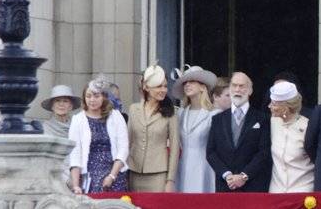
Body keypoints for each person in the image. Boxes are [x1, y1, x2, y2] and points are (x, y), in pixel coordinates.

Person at [207, 71, 272, 193]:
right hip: (225, 186)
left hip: (253, 187)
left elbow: (264, 152)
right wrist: (227, 175)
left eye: (242, 86)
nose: (237, 89)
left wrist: (244, 176)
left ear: (250, 91)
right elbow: (211, 152)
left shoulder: (262, 119)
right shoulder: (217, 120)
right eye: (234, 85)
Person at [67, 76, 128, 196]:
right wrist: (75, 186)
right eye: (88, 96)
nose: (92, 100)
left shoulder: (116, 116)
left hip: (115, 175)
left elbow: (123, 149)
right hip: (90, 176)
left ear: (104, 97)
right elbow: (75, 154)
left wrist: (112, 176)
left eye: (96, 96)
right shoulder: (78, 120)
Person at [126, 65, 180, 193]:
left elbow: (174, 147)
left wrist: (170, 180)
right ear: (146, 87)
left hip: (159, 174)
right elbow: (128, 141)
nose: (163, 90)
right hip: (134, 172)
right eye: (159, 86)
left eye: (165, 86)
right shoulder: (134, 109)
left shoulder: (171, 112)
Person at [170, 65, 219, 194]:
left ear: (203, 86)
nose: (187, 85)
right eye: (185, 82)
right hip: (181, 166)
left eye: (192, 82)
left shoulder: (213, 114)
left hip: (204, 167)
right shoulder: (180, 114)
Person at [267, 80, 315, 193]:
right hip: (276, 191)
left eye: (274, 104)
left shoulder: (308, 127)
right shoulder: (273, 122)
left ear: (285, 108)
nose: (269, 106)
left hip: (303, 191)